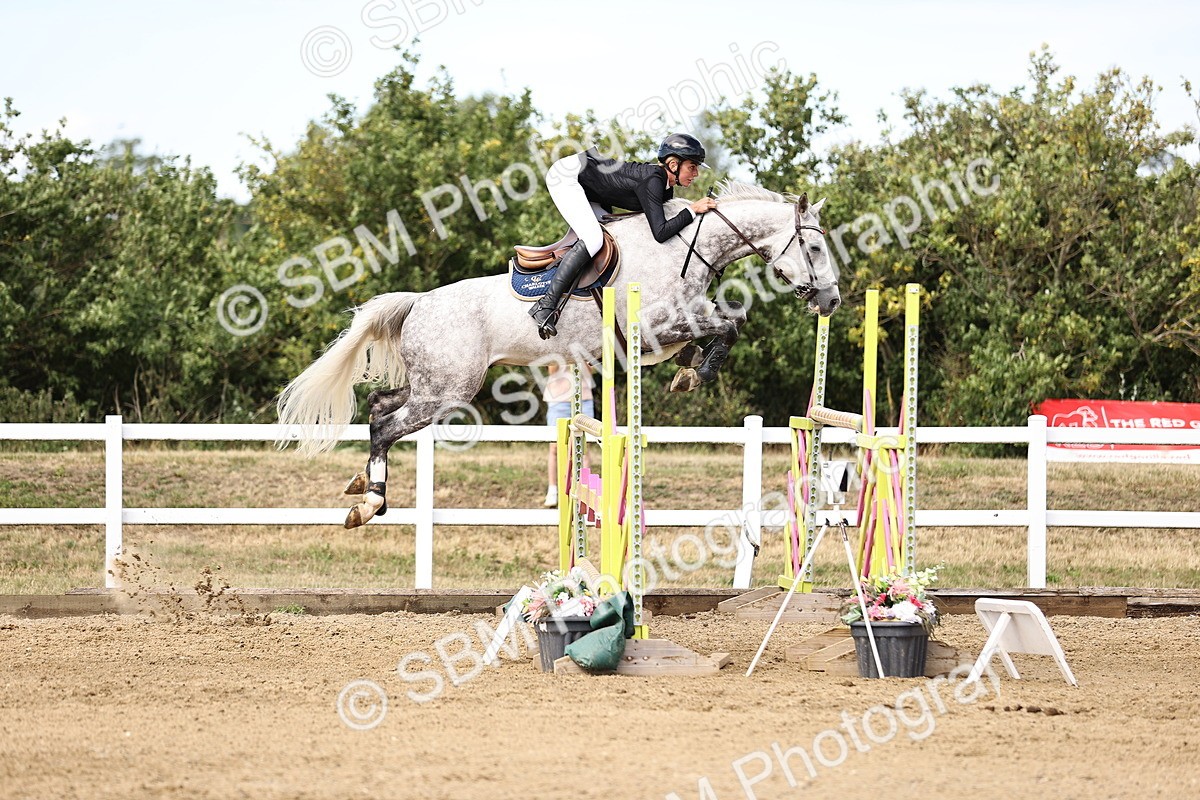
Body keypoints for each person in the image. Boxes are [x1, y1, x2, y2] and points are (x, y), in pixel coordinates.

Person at [528, 132, 719, 338]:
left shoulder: (665, 189)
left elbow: (660, 231)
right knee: (593, 239)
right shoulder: (654, 180)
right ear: (673, 164)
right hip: (567, 176)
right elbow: (661, 233)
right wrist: (692, 209)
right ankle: (545, 305)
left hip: (589, 186)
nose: (696, 173)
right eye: (692, 167)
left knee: (613, 239)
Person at [542, 362, 594, 507]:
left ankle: (584, 490)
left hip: (584, 397)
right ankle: (553, 490)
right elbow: (552, 370)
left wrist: (579, 357)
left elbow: (589, 371)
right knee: (554, 447)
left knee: (584, 448)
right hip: (558, 398)